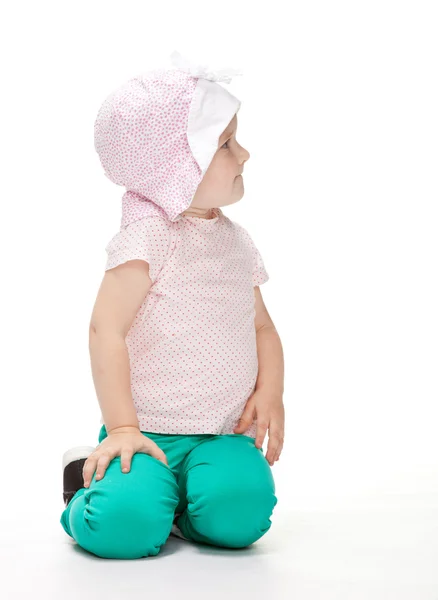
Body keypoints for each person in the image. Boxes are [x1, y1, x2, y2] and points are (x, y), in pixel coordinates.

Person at [60, 51, 285, 559]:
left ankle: (184, 508)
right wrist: (121, 427)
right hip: (145, 433)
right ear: (177, 169)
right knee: (121, 529)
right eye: (225, 143)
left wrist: (271, 391)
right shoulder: (147, 238)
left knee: (241, 517)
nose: (244, 154)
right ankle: (83, 492)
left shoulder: (237, 242)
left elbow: (263, 329)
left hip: (224, 435)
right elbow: (106, 329)